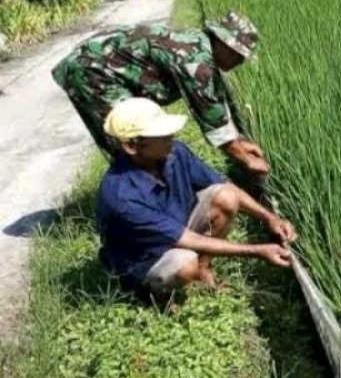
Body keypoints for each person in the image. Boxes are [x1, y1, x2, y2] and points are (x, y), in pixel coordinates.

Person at [97, 97, 297, 296]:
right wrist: (258, 251)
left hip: (177, 227)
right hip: (145, 257)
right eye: (161, 135)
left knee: (227, 196)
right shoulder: (121, 197)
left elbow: (225, 187)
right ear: (131, 146)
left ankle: (203, 268)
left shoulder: (174, 152)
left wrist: (270, 217)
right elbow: (186, 239)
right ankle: (161, 297)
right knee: (185, 266)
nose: (171, 137)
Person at [51, 10, 269, 176]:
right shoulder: (195, 61)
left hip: (103, 65)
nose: (239, 61)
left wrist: (239, 140)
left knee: (142, 143)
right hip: (92, 72)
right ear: (223, 43)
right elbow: (209, 113)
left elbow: (215, 99)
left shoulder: (199, 43)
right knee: (133, 141)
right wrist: (245, 159)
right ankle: (137, 207)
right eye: (238, 54)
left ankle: (152, 195)